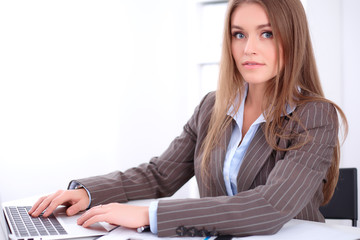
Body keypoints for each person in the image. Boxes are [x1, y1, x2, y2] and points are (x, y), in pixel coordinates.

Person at [29, 0, 348, 237]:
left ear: (293, 39)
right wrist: (88, 193)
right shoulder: (213, 106)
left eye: (266, 33)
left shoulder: (315, 115)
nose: (249, 49)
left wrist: (147, 215)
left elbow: (268, 207)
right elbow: (159, 175)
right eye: (239, 35)